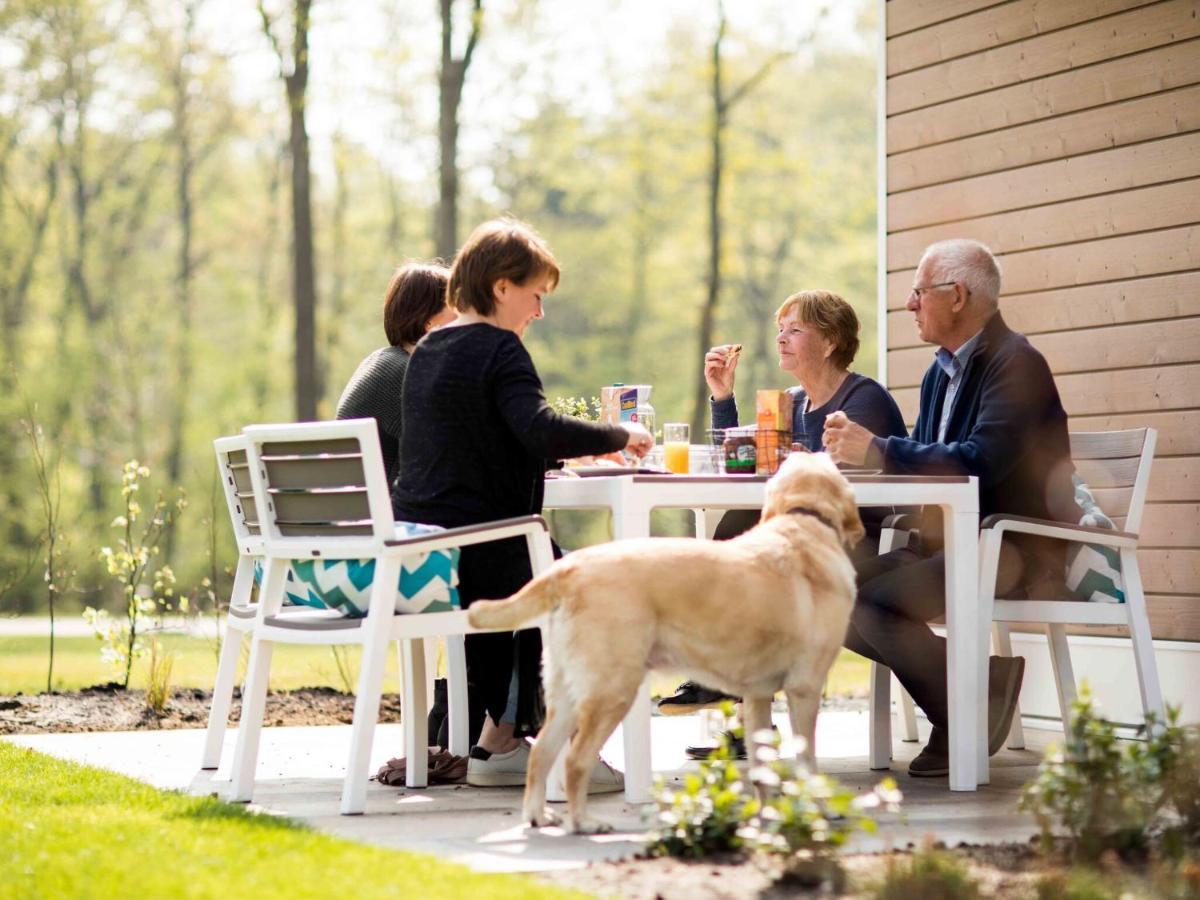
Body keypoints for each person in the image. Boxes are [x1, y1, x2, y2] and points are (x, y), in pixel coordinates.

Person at [392, 218, 654, 788]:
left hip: (424, 553)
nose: (539, 311)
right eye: (535, 295)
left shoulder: (430, 350)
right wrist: (618, 437)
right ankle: (567, 753)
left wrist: (563, 456)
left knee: (548, 559)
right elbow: (537, 428)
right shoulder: (499, 349)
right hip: (485, 551)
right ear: (502, 287)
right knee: (593, 587)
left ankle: (499, 743)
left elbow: (472, 446)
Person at [824, 238, 1080, 777]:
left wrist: (877, 449)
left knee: (877, 604)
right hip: (952, 543)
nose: (909, 303)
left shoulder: (1018, 364)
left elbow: (979, 462)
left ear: (957, 295)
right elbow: (932, 465)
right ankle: (980, 689)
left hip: (1016, 550)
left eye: (919, 291)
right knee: (829, 593)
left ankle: (961, 713)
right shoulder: (939, 372)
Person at [659, 290, 908, 729]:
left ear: (830, 341)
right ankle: (738, 700)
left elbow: (838, 487)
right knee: (741, 526)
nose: (781, 339)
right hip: (799, 536)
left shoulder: (863, 398)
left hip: (858, 539)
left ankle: (726, 684)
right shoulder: (791, 402)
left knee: (755, 553)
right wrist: (723, 397)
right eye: (780, 330)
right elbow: (745, 463)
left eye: (795, 330)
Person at [336, 262, 457, 486]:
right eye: (458, 309)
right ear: (431, 322)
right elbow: (453, 455)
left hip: (358, 515)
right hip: (389, 518)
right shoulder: (403, 373)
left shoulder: (383, 363)